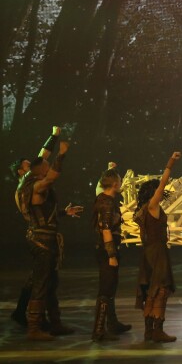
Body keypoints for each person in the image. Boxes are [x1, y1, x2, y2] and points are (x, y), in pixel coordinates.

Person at [16, 140, 83, 341]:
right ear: (38, 172)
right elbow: (52, 176)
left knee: (51, 282)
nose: (48, 168)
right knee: (42, 283)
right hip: (42, 242)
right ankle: (34, 328)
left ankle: (55, 323)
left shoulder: (28, 185)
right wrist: (61, 155)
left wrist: (63, 212)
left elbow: (43, 211)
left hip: (44, 239)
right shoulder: (36, 186)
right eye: (45, 167)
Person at [9, 126, 62, 327]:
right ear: (21, 171)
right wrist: (55, 139)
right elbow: (43, 157)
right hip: (40, 237)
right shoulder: (27, 185)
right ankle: (35, 322)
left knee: (37, 278)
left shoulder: (26, 184)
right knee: (41, 280)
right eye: (27, 165)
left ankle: (23, 313)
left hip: (38, 234)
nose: (32, 165)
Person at [134, 152, 181, 343]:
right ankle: (157, 331)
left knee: (150, 291)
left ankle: (149, 331)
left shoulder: (143, 209)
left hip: (149, 252)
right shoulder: (152, 207)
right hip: (157, 252)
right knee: (161, 290)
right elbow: (162, 184)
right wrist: (170, 163)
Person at [92, 168, 132, 341]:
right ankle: (99, 330)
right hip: (106, 250)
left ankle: (112, 324)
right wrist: (111, 255)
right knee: (106, 288)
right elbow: (106, 230)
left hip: (107, 248)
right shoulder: (106, 202)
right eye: (120, 180)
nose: (122, 182)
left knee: (110, 287)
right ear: (115, 184)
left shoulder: (105, 199)